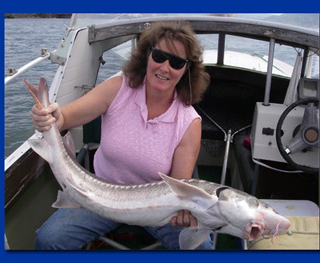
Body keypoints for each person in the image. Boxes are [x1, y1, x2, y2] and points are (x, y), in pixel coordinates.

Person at [31, 21, 212, 250]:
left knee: (202, 248)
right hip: (98, 194)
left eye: (176, 62)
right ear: (147, 56)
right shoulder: (118, 88)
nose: (165, 67)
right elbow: (64, 118)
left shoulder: (189, 122)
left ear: (187, 69)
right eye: (159, 56)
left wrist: (183, 210)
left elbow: (179, 192)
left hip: (156, 208)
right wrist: (50, 116)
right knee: (49, 240)